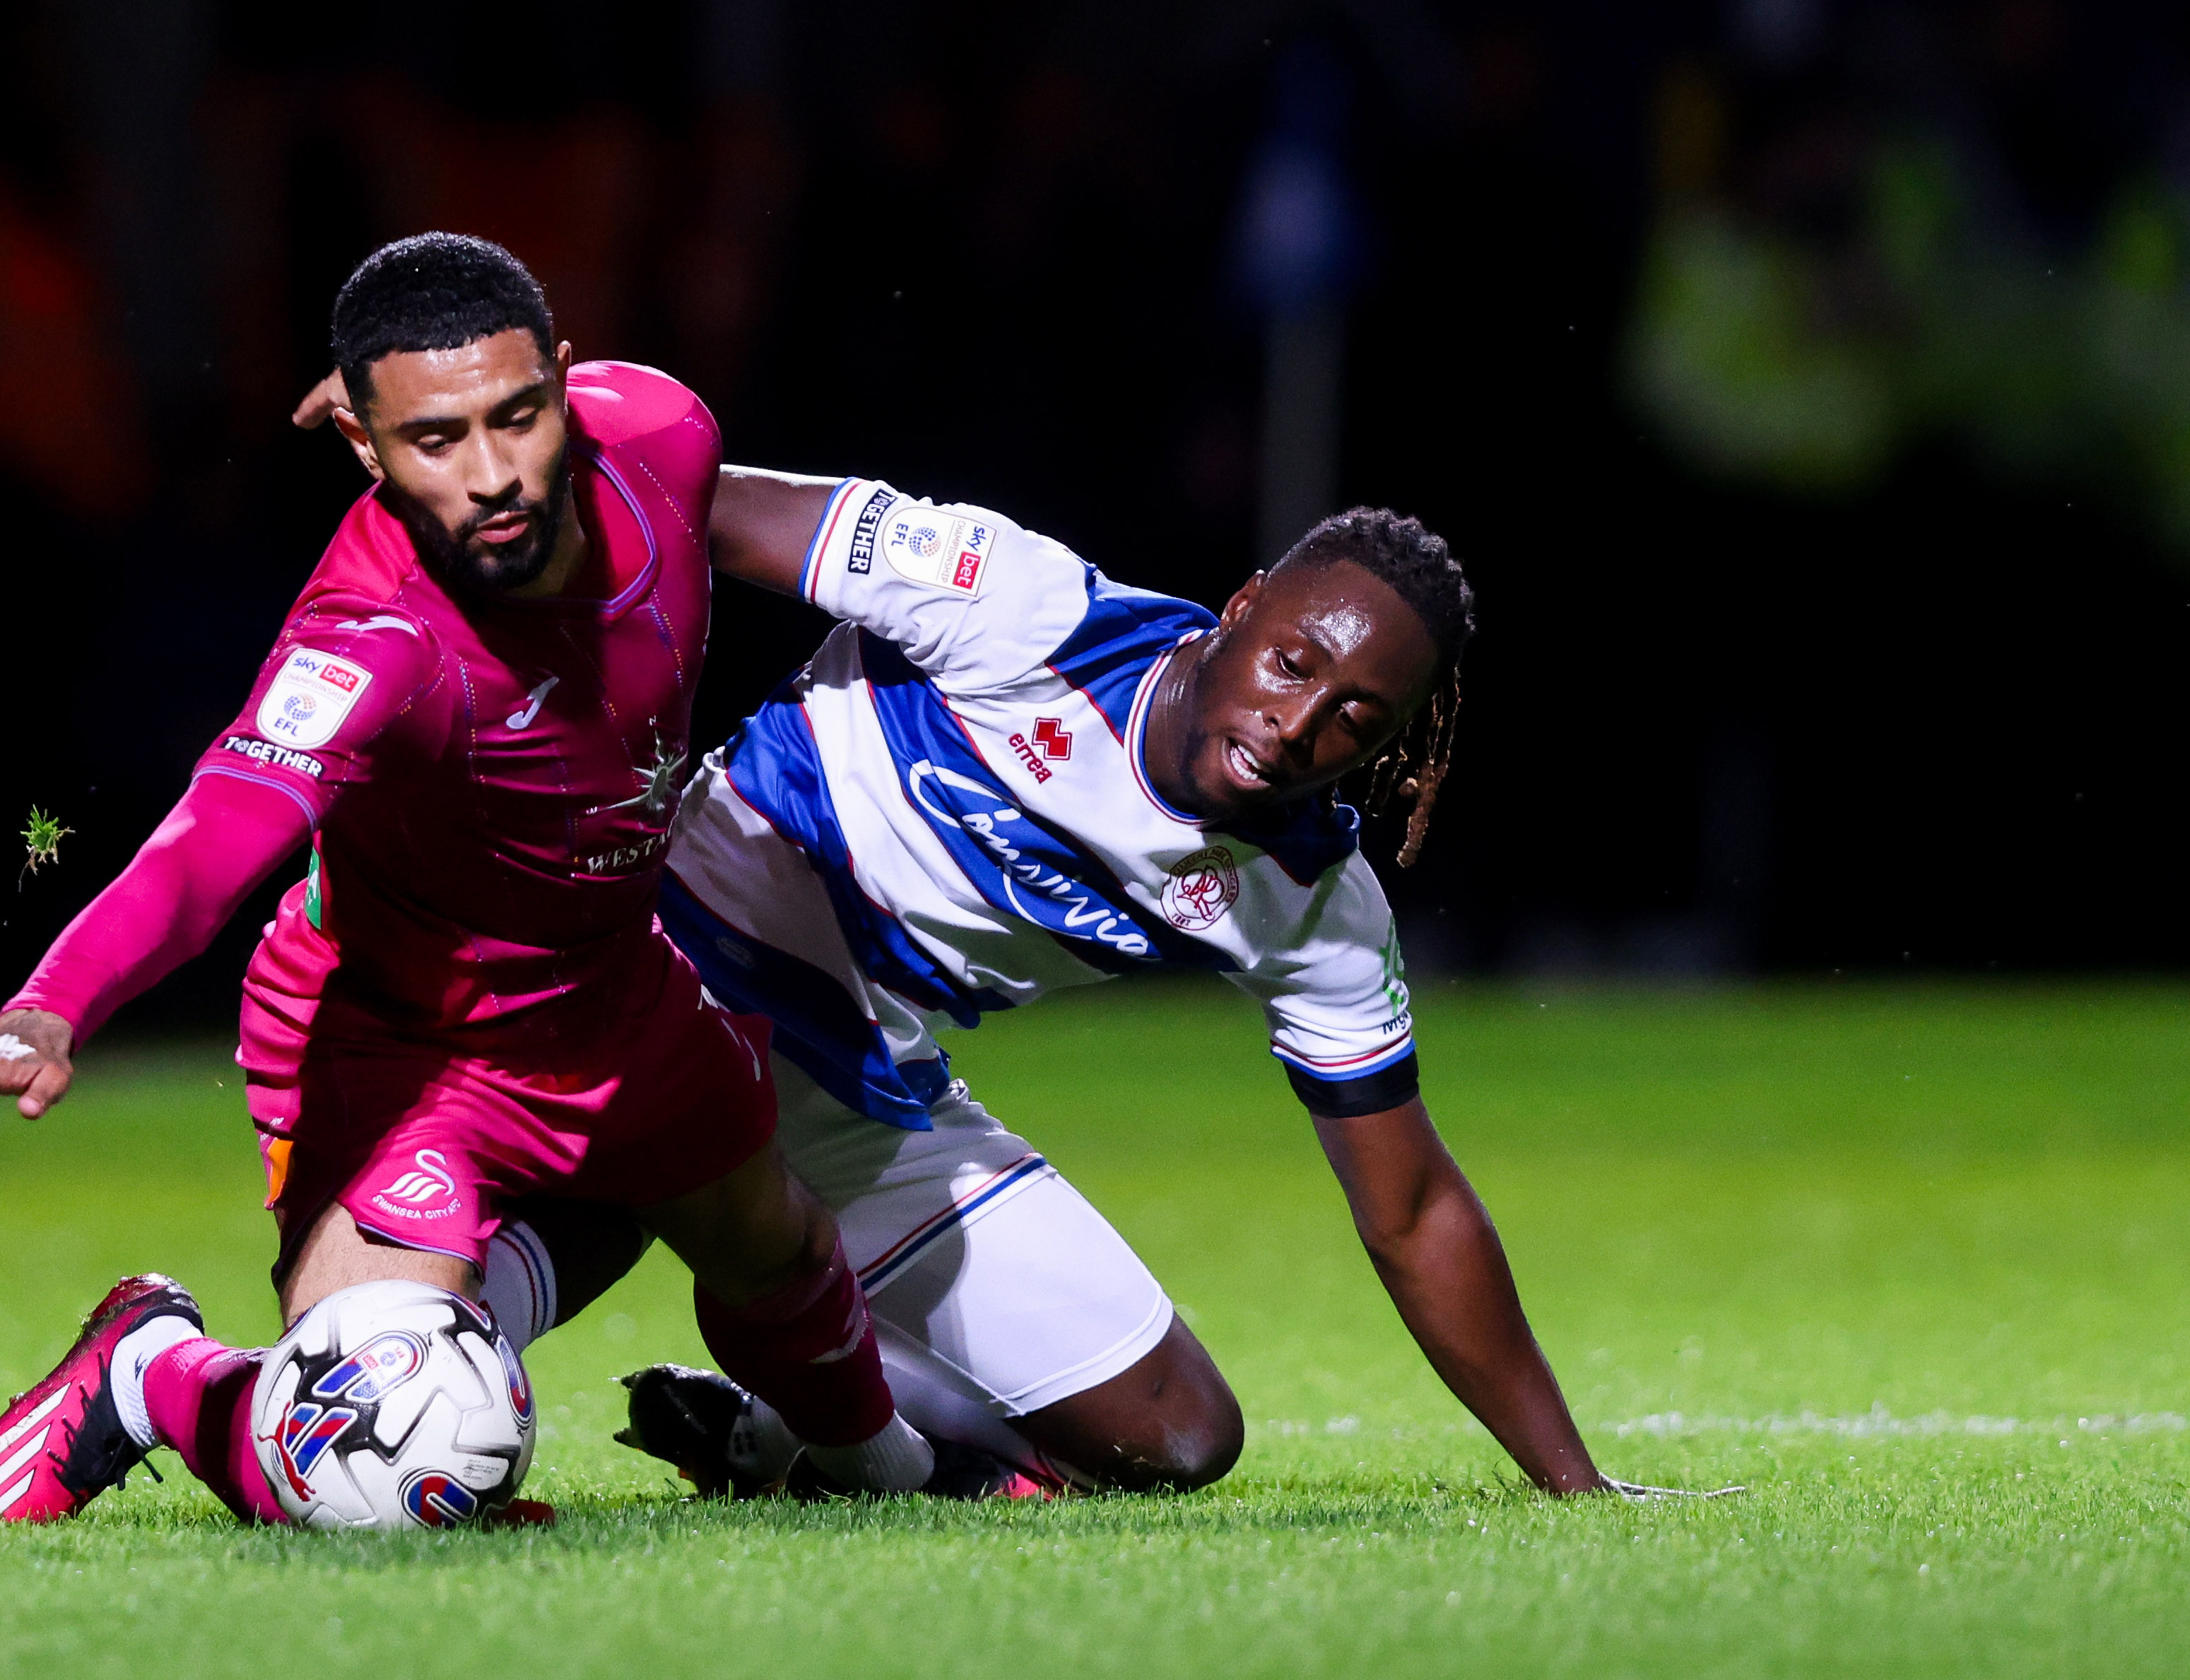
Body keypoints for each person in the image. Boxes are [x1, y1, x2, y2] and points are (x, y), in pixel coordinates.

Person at [257, 401, 1685, 1497]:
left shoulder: (1310, 897)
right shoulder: (1018, 606)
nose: (1302, 726)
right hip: (666, 976)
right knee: (494, 1293)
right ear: (1242, 608)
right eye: (1296, 664)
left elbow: (1414, 1204)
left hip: (864, 1090)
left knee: (1179, 1439)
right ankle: (217, 1380)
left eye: (1358, 721)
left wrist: (1574, 1485)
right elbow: (676, 502)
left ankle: (787, 1430)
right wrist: (442, 445)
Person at [0, 234, 946, 1527]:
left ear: (564, 376)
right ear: (366, 449)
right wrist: (55, 1003)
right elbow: (217, 831)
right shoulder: (371, 641)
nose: (493, 473)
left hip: (610, 988)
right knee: (361, 1465)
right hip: (400, 1034)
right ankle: (153, 1369)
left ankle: (886, 1469)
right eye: (434, 441)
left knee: (771, 1243)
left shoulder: (663, 428)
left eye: (517, 414)